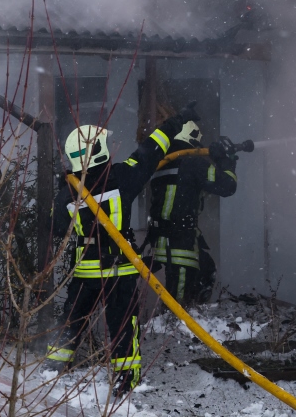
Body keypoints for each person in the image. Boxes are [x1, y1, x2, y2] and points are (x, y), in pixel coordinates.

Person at [44, 104, 198, 397]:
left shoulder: (68, 192)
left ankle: (53, 369)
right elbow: (152, 150)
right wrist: (177, 120)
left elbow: (54, 227)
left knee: (72, 321)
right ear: (101, 149)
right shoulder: (122, 177)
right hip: (119, 270)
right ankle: (126, 380)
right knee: (123, 326)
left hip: (86, 273)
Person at [147, 119, 238, 304]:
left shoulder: (163, 163)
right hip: (180, 242)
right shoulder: (193, 164)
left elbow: (186, 189)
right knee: (179, 300)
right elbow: (227, 186)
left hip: (163, 237)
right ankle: (178, 325)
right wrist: (225, 162)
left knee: (205, 268)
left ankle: (190, 317)